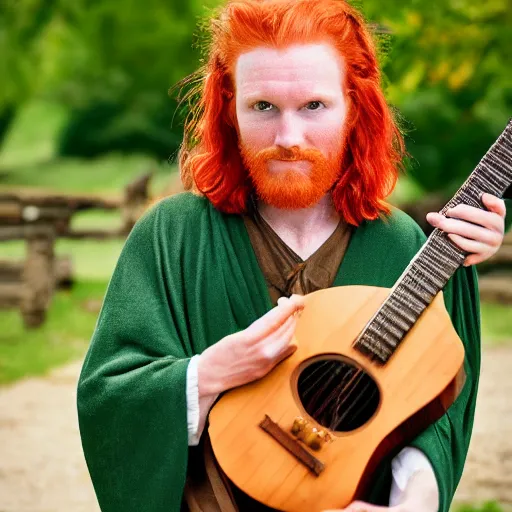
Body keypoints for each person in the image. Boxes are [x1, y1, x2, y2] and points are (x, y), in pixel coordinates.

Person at [76, 1, 510, 511]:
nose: (288, 139)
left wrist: (409, 503)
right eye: (263, 107)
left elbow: (434, 416)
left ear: (355, 107)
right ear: (228, 107)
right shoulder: (171, 237)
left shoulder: (405, 248)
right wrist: (212, 371)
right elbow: (108, 400)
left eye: (313, 106)